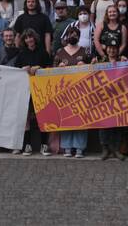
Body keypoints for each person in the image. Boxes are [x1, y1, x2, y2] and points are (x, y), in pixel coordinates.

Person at [53, 27, 89, 158]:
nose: (73, 36)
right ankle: (67, 147)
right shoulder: (60, 52)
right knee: (66, 117)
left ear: (79, 37)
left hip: (81, 91)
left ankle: (79, 147)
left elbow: (93, 70)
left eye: (75, 34)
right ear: (66, 36)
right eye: (70, 34)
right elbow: (51, 71)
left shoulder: (85, 51)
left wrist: (85, 65)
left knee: (81, 117)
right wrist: (58, 68)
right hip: (64, 92)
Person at [16, 29, 52, 156]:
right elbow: (15, 71)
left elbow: (50, 68)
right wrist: (22, 69)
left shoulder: (43, 53)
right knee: (26, 118)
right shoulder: (21, 54)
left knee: (43, 117)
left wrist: (40, 68)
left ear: (34, 38)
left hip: (41, 89)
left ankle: (44, 145)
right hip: (26, 90)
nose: (29, 40)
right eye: (26, 38)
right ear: (24, 41)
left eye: (30, 37)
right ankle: (27, 145)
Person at [99, 44, 127, 161]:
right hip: (104, 97)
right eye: (110, 48)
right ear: (106, 49)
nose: (112, 50)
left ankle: (116, 149)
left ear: (118, 50)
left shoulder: (123, 61)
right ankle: (105, 149)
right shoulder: (100, 61)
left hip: (119, 97)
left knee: (117, 123)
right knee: (103, 123)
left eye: (114, 48)